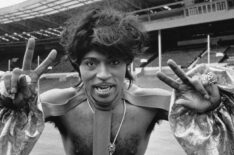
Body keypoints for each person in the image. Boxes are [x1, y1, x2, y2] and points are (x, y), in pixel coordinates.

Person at [0, 7, 232, 155]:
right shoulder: (57, 104)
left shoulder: (152, 104)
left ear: (127, 63)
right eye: (91, 63)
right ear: (77, 65)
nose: (102, 74)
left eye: (113, 62)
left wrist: (213, 107)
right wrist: (14, 107)